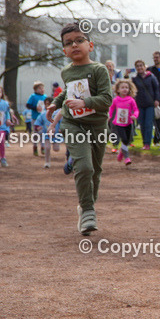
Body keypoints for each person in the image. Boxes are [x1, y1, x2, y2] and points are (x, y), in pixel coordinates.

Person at [46, 23, 113, 235]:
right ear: (64, 51)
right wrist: (56, 103)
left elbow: (107, 99)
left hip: (98, 126)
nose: (74, 45)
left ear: (90, 45)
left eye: (79, 40)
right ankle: (87, 211)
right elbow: (67, 91)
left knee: (95, 170)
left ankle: (86, 206)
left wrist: (85, 103)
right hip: (73, 124)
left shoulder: (99, 70)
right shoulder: (66, 71)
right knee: (84, 167)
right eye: (68, 43)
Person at [108, 79, 139, 165]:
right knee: (124, 139)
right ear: (118, 90)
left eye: (126, 87)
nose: (124, 89)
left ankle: (121, 151)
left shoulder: (131, 100)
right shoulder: (116, 100)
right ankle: (127, 158)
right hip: (119, 123)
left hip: (129, 123)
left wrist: (134, 116)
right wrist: (109, 116)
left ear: (129, 89)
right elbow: (111, 109)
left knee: (127, 141)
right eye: (122, 88)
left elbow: (136, 110)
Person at [131, 60, 159, 151]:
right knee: (142, 124)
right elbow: (132, 91)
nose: (139, 68)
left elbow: (156, 89)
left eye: (141, 66)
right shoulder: (135, 79)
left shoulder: (151, 77)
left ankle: (148, 143)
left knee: (148, 124)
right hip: (139, 104)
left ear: (144, 66)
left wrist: (157, 99)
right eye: (137, 66)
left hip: (150, 104)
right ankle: (144, 142)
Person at [25, 81, 46, 157]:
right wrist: (35, 107)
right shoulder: (33, 96)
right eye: (40, 88)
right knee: (36, 133)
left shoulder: (45, 97)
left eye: (43, 88)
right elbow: (28, 105)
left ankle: (43, 147)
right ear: (35, 90)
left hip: (43, 118)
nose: (42, 90)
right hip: (35, 118)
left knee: (43, 132)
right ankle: (35, 146)